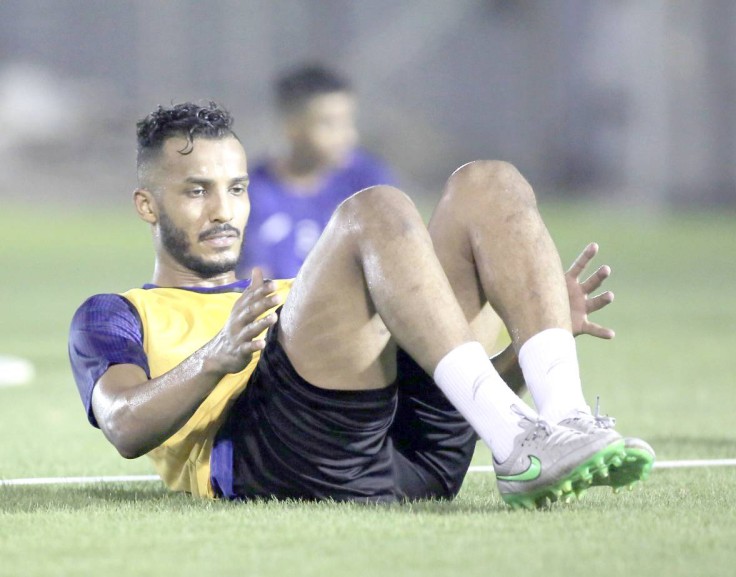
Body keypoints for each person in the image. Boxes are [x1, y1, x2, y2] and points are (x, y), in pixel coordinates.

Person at [68, 102, 654, 509]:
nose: (223, 210)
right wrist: (214, 358)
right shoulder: (117, 313)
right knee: (374, 212)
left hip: (414, 460)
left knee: (487, 182)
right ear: (147, 205)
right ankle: (521, 445)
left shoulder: (299, 297)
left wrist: (528, 350)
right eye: (197, 191)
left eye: (237, 188)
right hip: (272, 462)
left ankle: (561, 418)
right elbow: (123, 426)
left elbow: (441, 382)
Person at [238, 63, 395, 279]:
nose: (346, 136)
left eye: (347, 122)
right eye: (329, 124)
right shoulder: (254, 192)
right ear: (291, 126)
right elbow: (252, 276)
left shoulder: (367, 182)